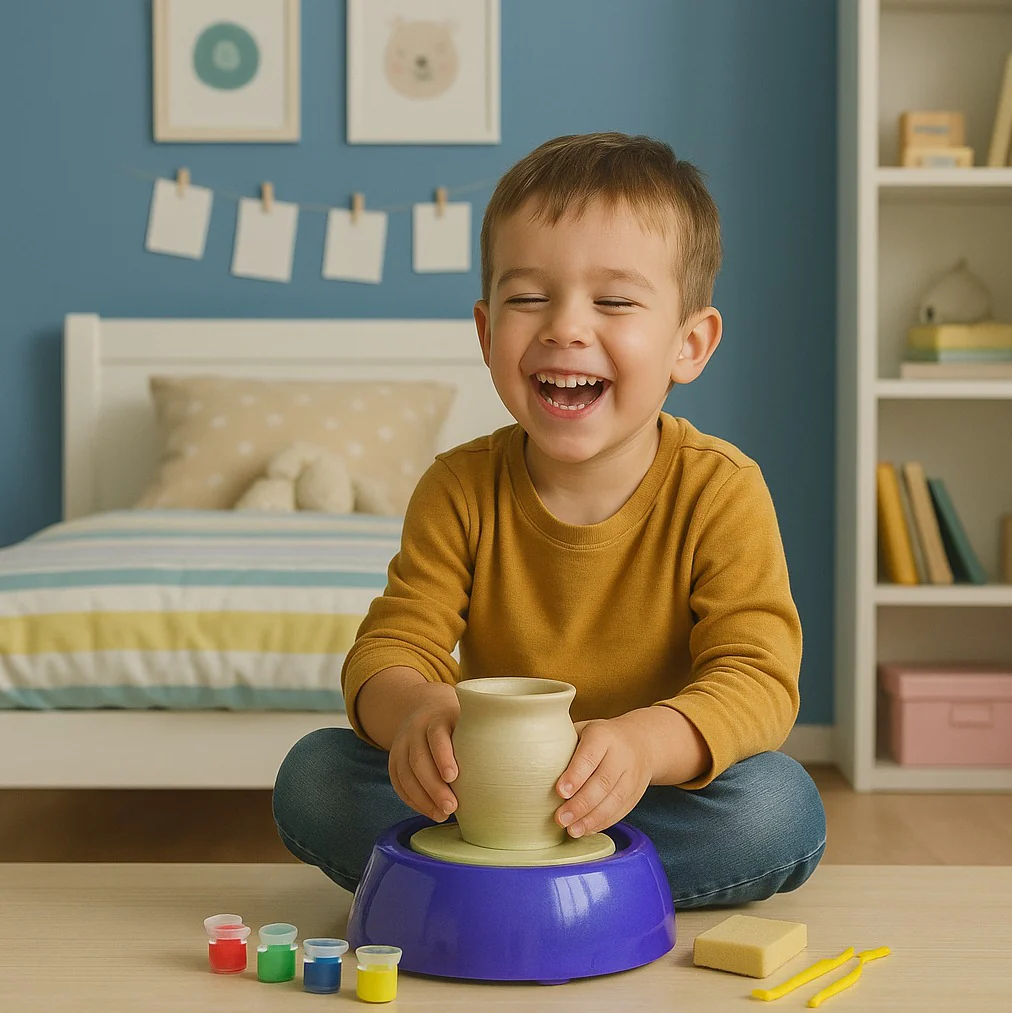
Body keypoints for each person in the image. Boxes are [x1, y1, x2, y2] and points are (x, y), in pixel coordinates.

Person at [273, 132, 826, 907]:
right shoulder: (459, 485)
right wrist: (420, 710)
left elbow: (758, 678)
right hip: (486, 790)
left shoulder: (722, 489)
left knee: (778, 806)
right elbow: (391, 645)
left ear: (689, 343)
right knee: (317, 776)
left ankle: (494, 883)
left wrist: (644, 741)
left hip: (644, 796)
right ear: (484, 328)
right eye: (528, 297)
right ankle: (581, 885)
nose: (565, 326)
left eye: (614, 300)